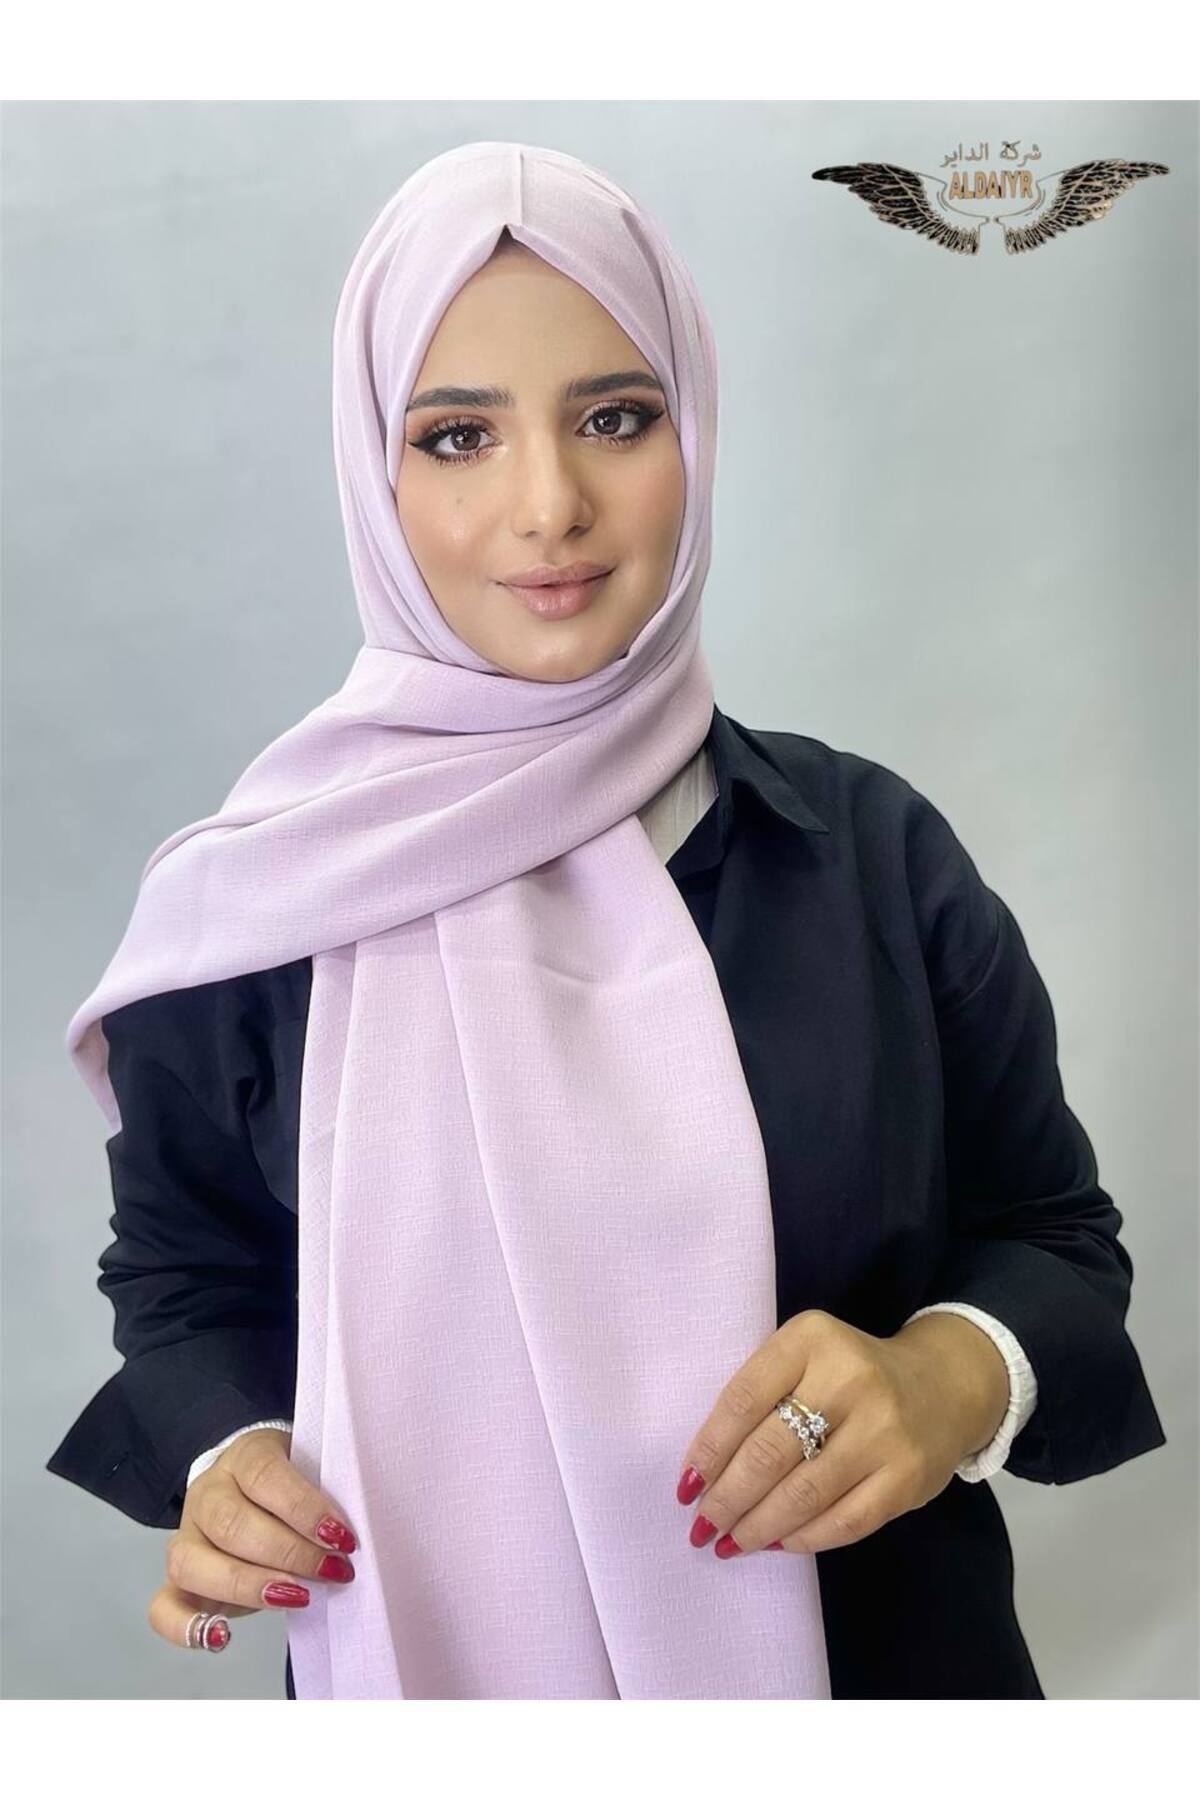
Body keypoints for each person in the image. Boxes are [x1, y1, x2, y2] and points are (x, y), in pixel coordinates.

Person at [47, 141, 1166, 1701]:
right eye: (458, 436)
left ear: (693, 433)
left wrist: (951, 1372)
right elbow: (185, 1276)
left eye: (617, 419)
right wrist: (228, 1452)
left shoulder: (872, 859)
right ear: (374, 474)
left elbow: (1053, 1239)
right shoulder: (258, 903)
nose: (550, 506)